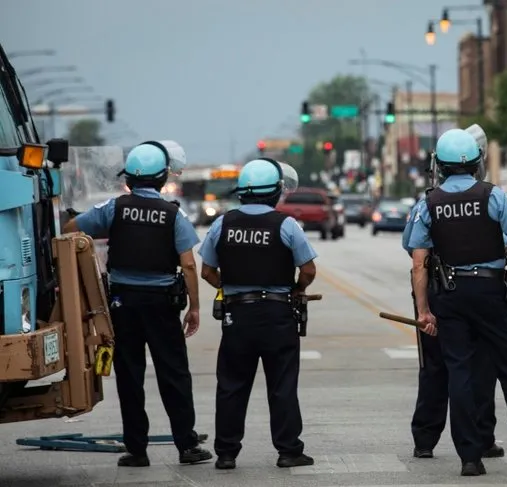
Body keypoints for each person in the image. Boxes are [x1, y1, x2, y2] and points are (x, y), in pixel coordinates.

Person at [408, 128, 507, 477]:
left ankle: (470, 458)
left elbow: (418, 263)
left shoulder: (428, 203)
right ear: (477, 162)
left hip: (449, 296)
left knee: (459, 372)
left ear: (441, 166)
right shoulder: (493, 196)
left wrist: (423, 310)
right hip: (491, 293)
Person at [63, 141, 212, 467]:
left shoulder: (114, 208)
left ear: (129, 178)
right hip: (161, 307)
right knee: (174, 375)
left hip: (122, 306)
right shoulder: (174, 214)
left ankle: (137, 450)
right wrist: (195, 308)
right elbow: (188, 265)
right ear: (163, 178)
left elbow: (70, 229)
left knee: (129, 376)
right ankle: (187, 446)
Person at [198, 158, 317, 470]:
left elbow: (206, 270)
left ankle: (226, 453)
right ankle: (289, 451)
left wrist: (230, 286)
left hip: (237, 317)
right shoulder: (286, 225)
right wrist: (296, 289)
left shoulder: (223, 223)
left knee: (232, 385)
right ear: (274, 193)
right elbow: (308, 270)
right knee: (282, 385)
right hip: (278, 315)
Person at [403, 203, 507, 461]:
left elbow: (413, 250)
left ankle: (425, 441)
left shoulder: (427, 205)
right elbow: (505, 244)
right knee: (481, 368)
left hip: (439, 293)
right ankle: (482, 439)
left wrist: (422, 308)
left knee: (435, 368)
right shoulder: (488, 199)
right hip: (481, 293)